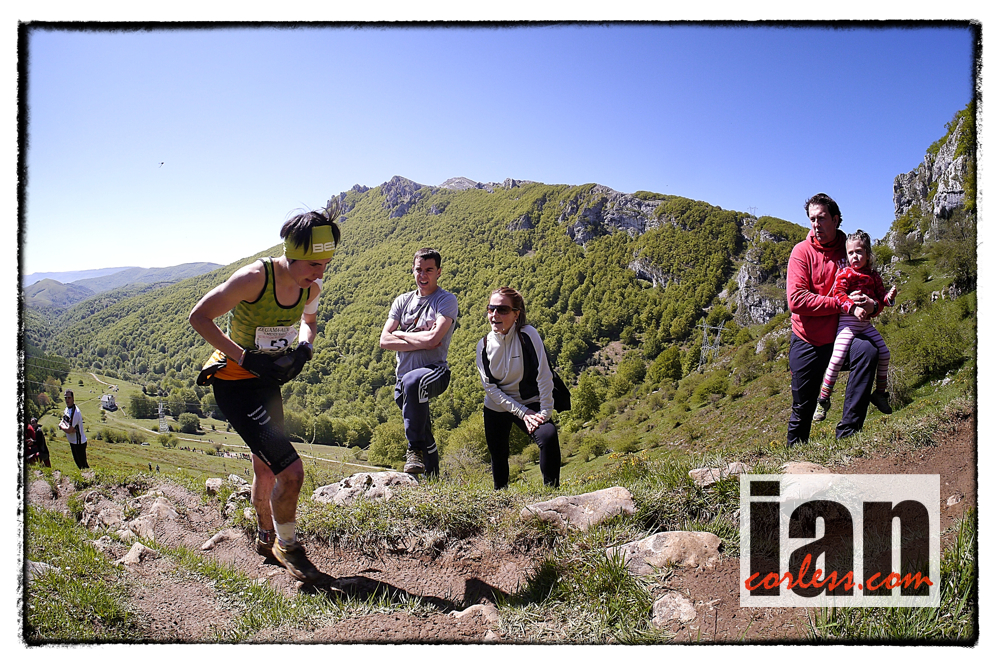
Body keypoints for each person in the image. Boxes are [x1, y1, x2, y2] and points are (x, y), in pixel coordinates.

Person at [189, 204, 340, 583]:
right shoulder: (254, 278)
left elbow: (308, 321)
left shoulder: (311, 286)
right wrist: (244, 357)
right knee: (291, 471)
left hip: (267, 383)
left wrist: (304, 349)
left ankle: (265, 536)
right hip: (234, 382)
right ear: (292, 254)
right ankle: (288, 546)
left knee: (266, 466)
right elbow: (199, 317)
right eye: (313, 264)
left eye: (325, 265)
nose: (320, 274)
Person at [786, 193, 882, 446]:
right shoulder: (801, 252)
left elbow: (871, 288)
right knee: (803, 407)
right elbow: (796, 300)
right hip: (808, 339)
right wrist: (841, 303)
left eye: (822, 218)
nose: (816, 224)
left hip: (844, 334)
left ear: (836, 219)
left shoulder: (850, 249)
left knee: (868, 352)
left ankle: (848, 436)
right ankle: (793, 457)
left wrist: (874, 306)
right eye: (812, 219)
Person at [379, 248, 459, 477]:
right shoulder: (402, 301)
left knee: (414, 383)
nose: (423, 275)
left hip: (435, 371)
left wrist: (401, 334)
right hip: (403, 377)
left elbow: (434, 340)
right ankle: (432, 477)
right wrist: (420, 339)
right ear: (413, 270)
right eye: (418, 270)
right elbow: (384, 340)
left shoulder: (445, 300)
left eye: (429, 270)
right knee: (422, 428)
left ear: (439, 272)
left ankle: (413, 450)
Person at [475, 287, 561, 490]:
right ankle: (501, 498)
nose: (495, 315)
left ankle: (551, 494)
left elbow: (544, 374)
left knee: (548, 437)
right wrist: (523, 413)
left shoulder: (528, 335)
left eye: (503, 310)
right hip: (497, 406)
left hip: (530, 402)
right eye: (491, 309)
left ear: (516, 314)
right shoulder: (483, 345)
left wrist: (544, 413)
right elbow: (491, 389)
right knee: (498, 455)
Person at [814, 230, 897, 421]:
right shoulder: (845, 273)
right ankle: (823, 399)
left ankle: (880, 393)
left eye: (859, 252)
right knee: (836, 360)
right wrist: (853, 308)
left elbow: (880, 299)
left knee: (885, 354)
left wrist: (889, 298)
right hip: (848, 324)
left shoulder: (873, 276)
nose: (855, 256)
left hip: (865, 324)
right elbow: (838, 295)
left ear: (868, 254)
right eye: (850, 253)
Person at [58, 390, 89, 469]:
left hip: (79, 443)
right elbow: (63, 421)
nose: (67, 400)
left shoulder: (75, 412)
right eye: (66, 398)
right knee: (79, 464)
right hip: (72, 441)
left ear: (73, 398)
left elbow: (69, 430)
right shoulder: (67, 409)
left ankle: (92, 476)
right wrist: (63, 426)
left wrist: (61, 427)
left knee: (83, 466)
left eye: (69, 398)